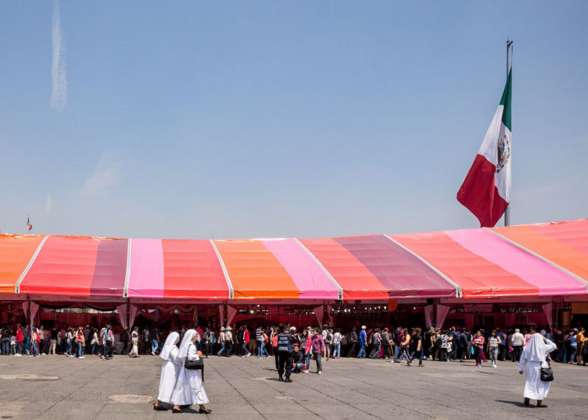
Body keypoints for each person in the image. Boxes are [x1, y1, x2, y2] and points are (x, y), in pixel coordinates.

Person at [171, 329, 211, 414]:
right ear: (192, 336)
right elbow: (190, 357)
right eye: (196, 335)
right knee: (196, 387)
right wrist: (198, 355)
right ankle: (202, 407)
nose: (197, 337)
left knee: (182, 387)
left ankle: (177, 406)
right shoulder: (191, 345)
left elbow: (183, 357)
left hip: (185, 369)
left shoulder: (186, 345)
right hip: (192, 371)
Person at [518, 329, 557, 408]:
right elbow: (554, 346)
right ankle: (539, 402)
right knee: (542, 383)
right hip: (541, 366)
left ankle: (527, 400)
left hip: (530, 366)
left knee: (530, 382)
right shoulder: (544, 347)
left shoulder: (526, 348)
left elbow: (522, 359)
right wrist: (545, 339)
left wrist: (521, 368)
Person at [154, 332, 180, 411]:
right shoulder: (173, 347)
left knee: (164, 384)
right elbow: (176, 358)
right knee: (171, 385)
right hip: (171, 368)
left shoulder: (167, 346)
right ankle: (175, 404)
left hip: (166, 366)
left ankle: (158, 402)